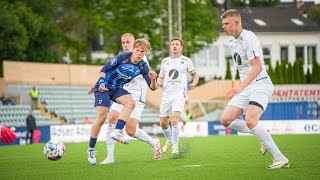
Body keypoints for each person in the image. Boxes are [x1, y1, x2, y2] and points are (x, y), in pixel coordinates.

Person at [219, 9, 289, 169]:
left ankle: (280, 158)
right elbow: (244, 68)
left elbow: (257, 67)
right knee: (226, 120)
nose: (223, 27)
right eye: (223, 24)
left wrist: (241, 86)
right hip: (246, 87)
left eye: (226, 24)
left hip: (260, 84)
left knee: (250, 120)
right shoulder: (231, 42)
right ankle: (263, 134)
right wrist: (242, 86)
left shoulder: (248, 38)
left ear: (237, 23)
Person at [87, 38, 158, 165]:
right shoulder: (123, 57)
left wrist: (153, 79)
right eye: (123, 43)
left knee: (131, 128)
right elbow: (105, 70)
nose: (139, 53)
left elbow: (152, 87)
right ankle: (100, 152)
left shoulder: (143, 63)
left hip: (128, 93)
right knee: (107, 118)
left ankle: (149, 141)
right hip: (111, 88)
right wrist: (99, 83)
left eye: (128, 42)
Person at [157, 37, 199, 155]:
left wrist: (193, 83)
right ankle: (170, 140)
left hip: (179, 95)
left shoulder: (186, 60)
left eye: (177, 44)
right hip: (166, 95)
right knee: (163, 123)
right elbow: (161, 77)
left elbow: (195, 76)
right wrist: (157, 83)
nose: (175, 46)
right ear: (170, 47)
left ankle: (175, 147)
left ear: (181, 47)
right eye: (173, 44)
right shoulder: (165, 61)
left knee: (175, 117)